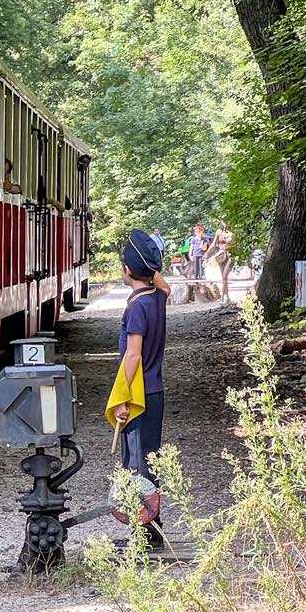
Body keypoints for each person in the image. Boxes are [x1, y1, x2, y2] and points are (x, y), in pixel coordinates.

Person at [112, 229, 170, 548]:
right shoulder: (157, 297)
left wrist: (122, 399)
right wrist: (149, 261)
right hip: (155, 393)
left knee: (136, 465)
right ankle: (154, 530)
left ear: (127, 271)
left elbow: (132, 354)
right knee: (148, 460)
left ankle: (144, 535)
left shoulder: (136, 307)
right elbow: (163, 283)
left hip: (138, 395)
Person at [206, 221, 234, 303]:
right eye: (224, 221)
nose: (225, 222)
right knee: (223, 278)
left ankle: (223, 296)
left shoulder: (232, 232)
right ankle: (226, 296)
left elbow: (235, 244)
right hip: (221, 255)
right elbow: (214, 244)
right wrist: (207, 253)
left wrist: (230, 242)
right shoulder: (219, 232)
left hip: (230, 255)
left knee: (225, 276)